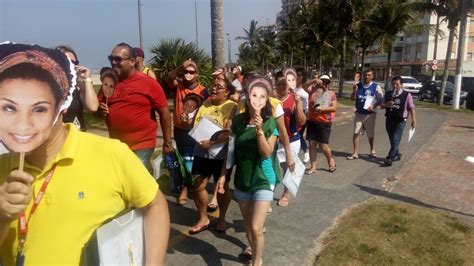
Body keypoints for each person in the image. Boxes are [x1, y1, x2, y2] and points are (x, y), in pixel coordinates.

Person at [0, 42, 169, 265]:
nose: (22, 124)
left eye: (39, 108)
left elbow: (154, 204)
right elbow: (98, 107)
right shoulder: (3, 166)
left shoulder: (110, 154)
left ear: (62, 104)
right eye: (8, 108)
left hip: (140, 144)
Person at [217, 77, 279, 266]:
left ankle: (256, 261)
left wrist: (259, 129)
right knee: (248, 228)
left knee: (256, 227)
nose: (257, 99)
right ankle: (253, 251)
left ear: (266, 99)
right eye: (253, 95)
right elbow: (231, 151)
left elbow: (267, 152)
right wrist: (222, 176)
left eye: (262, 96)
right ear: (247, 97)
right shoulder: (237, 122)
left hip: (263, 179)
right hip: (243, 181)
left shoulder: (270, 123)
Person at [99, 42, 173, 172]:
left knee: (133, 176)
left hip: (142, 144)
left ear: (132, 61)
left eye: (118, 59)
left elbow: (164, 113)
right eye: (111, 59)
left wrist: (167, 143)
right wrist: (100, 110)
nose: (113, 62)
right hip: (117, 144)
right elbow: (96, 108)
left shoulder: (149, 83)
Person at [188, 77, 236, 234]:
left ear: (227, 92)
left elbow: (229, 132)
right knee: (198, 186)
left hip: (221, 155)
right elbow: (196, 125)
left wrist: (211, 142)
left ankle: (221, 218)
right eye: (213, 86)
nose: (214, 89)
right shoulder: (204, 104)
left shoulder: (232, 107)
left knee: (222, 188)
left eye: (219, 87)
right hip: (201, 152)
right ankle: (203, 218)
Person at [166, 59, 208, 206]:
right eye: (186, 72)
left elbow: (206, 111)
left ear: (197, 74)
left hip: (194, 131)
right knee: (182, 161)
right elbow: (169, 78)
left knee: (190, 163)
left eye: (192, 72)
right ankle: (187, 185)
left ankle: (186, 190)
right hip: (179, 131)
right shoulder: (178, 86)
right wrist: (180, 67)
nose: (188, 74)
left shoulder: (203, 91)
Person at [275, 69, 306, 207]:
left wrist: (298, 105)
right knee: (272, 168)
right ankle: (267, 194)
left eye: (284, 83)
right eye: (279, 84)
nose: (282, 86)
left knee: (288, 168)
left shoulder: (294, 99)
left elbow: (302, 122)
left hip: (292, 140)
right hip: (275, 141)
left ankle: (285, 194)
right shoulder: (271, 100)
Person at [55, 45, 99, 131]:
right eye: (69, 62)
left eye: (75, 63)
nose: (73, 65)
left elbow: (93, 107)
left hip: (78, 135)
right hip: (57, 138)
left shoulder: (78, 86)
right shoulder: (49, 86)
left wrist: (86, 79)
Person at [380, 76, 416, 166]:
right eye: (393, 84)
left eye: (397, 84)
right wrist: (387, 104)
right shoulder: (388, 94)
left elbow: (411, 108)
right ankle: (397, 153)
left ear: (401, 85)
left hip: (400, 120)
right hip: (389, 119)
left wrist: (413, 120)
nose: (395, 86)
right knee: (392, 139)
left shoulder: (407, 95)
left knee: (396, 138)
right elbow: (381, 106)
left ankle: (390, 158)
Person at [347, 69, 384, 160]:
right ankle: (355, 153)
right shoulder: (358, 86)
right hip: (359, 113)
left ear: (372, 76)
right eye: (365, 75)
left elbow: (380, 100)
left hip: (370, 114)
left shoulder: (376, 87)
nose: (366, 77)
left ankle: (372, 150)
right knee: (356, 133)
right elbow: (352, 99)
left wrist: (373, 105)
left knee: (370, 134)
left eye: (369, 75)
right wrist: (354, 90)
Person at [305, 75, 338, 174]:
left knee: (323, 146)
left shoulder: (331, 93)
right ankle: (313, 167)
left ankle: (330, 159)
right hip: (312, 121)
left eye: (326, 82)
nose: (324, 83)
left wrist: (322, 109)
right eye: (322, 81)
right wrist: (314, 80)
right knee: (312, 144)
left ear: (329, 83)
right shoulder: (313, 90)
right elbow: (303, 86)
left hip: (324, 122)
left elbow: (334, 108)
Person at [294, 68, 309, 163]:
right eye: (296, 75)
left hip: (303, 114)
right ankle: (295, 154)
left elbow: (307, 105)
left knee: (298, 135)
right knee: (294, 134)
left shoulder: (305, 90)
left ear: (303, 77)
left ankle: (306, 151)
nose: (297, 77)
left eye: (299, 75)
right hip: (293, 113)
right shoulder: (291, 88)